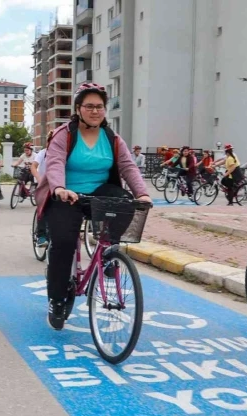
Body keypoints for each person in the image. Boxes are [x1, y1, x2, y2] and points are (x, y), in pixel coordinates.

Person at [34, 82, 151, 330]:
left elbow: (128, 166)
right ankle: (56, 299)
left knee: (125, 203)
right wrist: (59, 188)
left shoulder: (112, 138)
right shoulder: (64, 134)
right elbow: (54, 163)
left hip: (99, 193)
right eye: (89, 106)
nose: (95, 111)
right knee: (64, 244)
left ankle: (107, 253)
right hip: (66, 195)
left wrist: (142, 193)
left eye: (99, 106)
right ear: (78, 109)